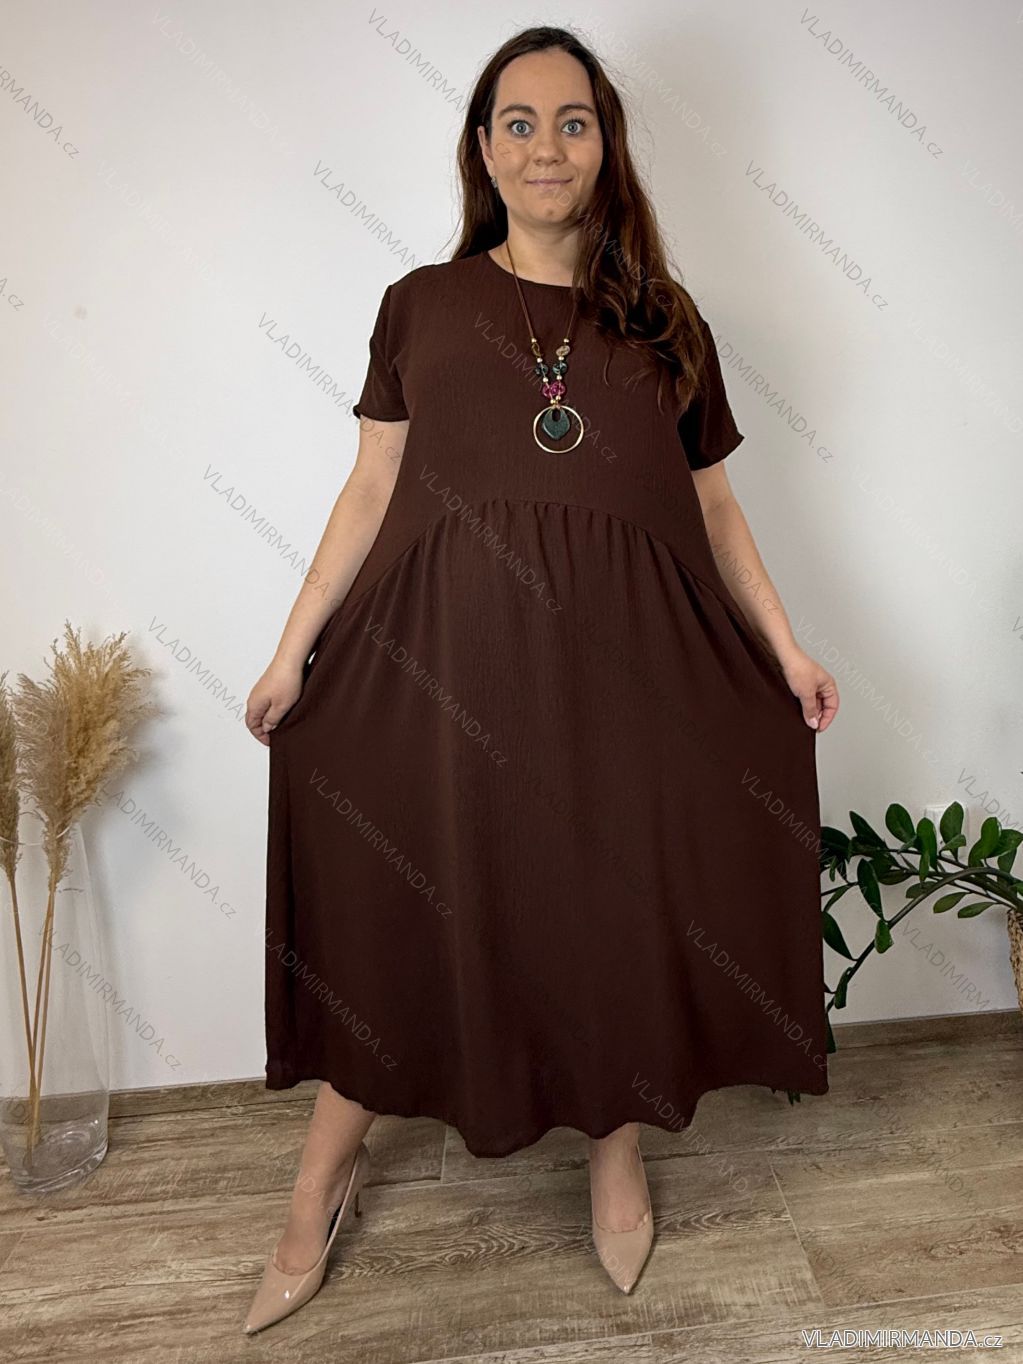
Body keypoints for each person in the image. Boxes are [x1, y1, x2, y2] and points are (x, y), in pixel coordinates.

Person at [243, 24, 839, 1335]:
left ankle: (614, 1159)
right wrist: (291, 652)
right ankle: (320, 1184)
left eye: (574, 122)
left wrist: (787, 648)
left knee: (603, 909)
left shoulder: (667, 323)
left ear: (607, 146)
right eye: (519, 122)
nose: (546, 146)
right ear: (482, 147)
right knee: (407, 911)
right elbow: (371, 488)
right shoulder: (420, 304)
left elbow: (713, 506)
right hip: (442, 670)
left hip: (623, 685)